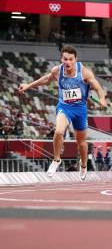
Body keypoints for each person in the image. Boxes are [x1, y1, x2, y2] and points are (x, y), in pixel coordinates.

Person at [18, 45, 107, 181]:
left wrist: (101, 98)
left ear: (75, 59)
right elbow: (45, 80)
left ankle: (83, 165)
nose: (67, 62)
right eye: (65, 59)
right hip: (64, 107)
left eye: (71, 59)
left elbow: (98, 87)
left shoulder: (84, 72)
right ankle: (57, 159)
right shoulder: (57, 71)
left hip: (80, 109)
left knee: (81, 142)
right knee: (59, 132)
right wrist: (28, 86)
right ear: (61, 59)